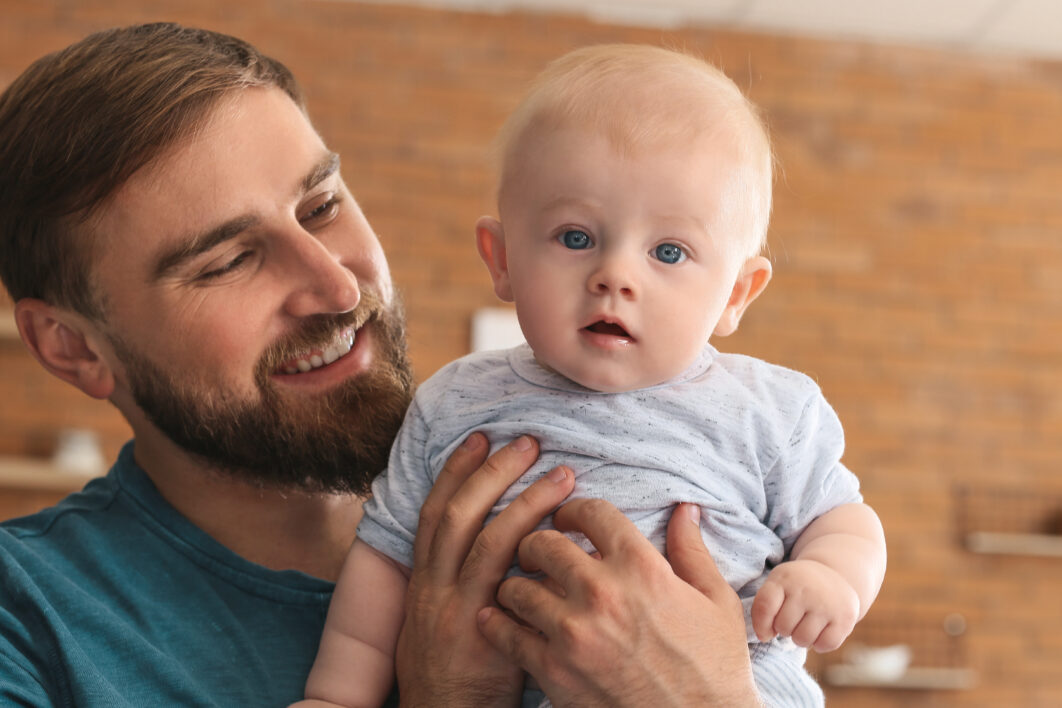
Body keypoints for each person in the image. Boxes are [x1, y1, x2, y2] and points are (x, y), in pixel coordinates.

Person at [0, 24, 763, 707]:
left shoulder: (649, 473)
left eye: (322, 206)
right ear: (73, 347)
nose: (336, 284)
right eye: (229, 261)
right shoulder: (27, 623)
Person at [304, 44, 887, 708]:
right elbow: (384, 562)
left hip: (740, 676)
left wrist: (828, 577)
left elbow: (842, 518)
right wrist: (337, 695)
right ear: (501, 259)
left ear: (737, 295)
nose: (615, 275)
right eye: (575, 237)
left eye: (669, 251)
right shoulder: (455, 403)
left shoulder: (770, 410)